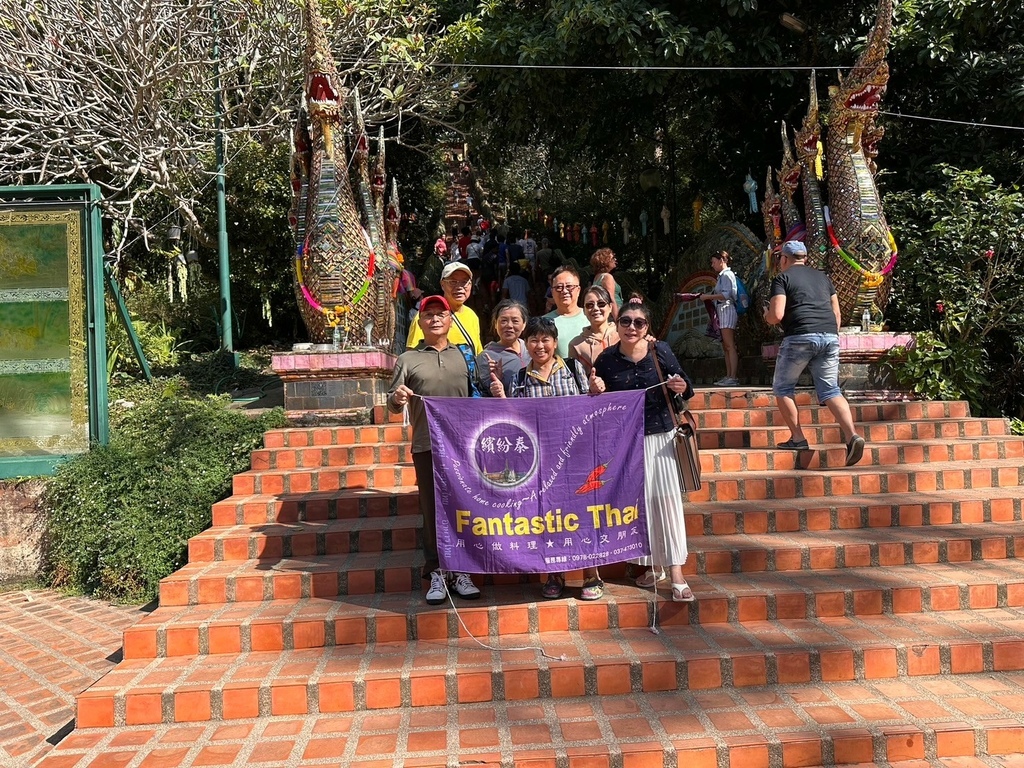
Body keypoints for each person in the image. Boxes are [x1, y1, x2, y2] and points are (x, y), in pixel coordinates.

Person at [489, 316, 603, 600]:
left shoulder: (574, 369)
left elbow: (591, 407)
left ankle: (592, 574)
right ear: (526, 344)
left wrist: (594, 390)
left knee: (584, 514)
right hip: (542, 462)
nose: (540, 346)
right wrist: (501, 397)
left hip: (577, 457)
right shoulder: (519, 378)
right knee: (549, 516)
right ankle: (555, 575)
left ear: (555, 342)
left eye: (545, 340)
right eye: (534, 340)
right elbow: (514, 420)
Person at [591, 296, 697, 602]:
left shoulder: (659, 350)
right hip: (626, 442)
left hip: (661, 437)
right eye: (625, 321)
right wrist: (595, 390)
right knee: (640, 505)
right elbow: (598, 403)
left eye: (639, 322)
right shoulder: (606, 359)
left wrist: (681, 386)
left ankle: (676, 573)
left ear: (647, 327)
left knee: (667, 502)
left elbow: (686, 385)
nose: (632, 327)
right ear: (617, 325)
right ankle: (652, 565)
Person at [388, 296, 481, 605]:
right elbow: (392, 403)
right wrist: (397, 397)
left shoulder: (465, 357)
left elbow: (479, 395)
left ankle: (463, 569)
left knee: (464, 507)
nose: (435, 319)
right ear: (420, 322)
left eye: (441, 314)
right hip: (426, 444)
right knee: (432, 510)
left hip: (464, 446)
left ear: (450, 320)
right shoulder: (407, 359)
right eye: (428, 315)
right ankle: (437, 571)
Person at [764, 240, 866, 465]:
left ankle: (798, 438)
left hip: (800, 336)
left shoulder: (782, 279)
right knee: (830, 390)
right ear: (805, 258)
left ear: (784, 259)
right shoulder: (823, 278)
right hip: (829, 336)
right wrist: (830, 336)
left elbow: (777, 315)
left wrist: (766, 315)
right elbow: (837, 313)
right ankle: (852, 436)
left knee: (783, 388)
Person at [407, 262, 482, 353]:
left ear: (470, 285)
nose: (459, 287)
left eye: (464, 282)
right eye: (453, 282)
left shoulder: (472, 316)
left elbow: (477, 352)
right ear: (442, 284)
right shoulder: (427, 317)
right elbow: (412, 354)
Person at [702, 251, 740, 386]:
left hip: (727, 309)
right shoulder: (721, 276)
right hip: (721, 310)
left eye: (714, 262)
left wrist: (708, 297)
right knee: (725, 346)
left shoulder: (727, 275)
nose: (712, 265)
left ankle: (733, 377)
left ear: (721, 260)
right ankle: (728, 375)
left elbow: (726, 295)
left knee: (730, 345)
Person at [477, 300, 529, 396]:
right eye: (504, 321)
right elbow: (484, 394)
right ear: (495, 324)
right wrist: (497, 380)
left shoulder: (531, 349)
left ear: (524, 325)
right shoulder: (486, 357)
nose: (509, 325)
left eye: (515, 321)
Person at [568, 285, 619, 376]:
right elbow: (576, 380)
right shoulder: (576, 345)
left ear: (610, 307)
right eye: (589, 305)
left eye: (601, 304)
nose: (595, 308)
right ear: (584, 311)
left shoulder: (622, 335)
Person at [543, 265, 586, 358]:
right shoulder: (544, 322)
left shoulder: (591, 317)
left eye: (569, 286)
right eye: (559, 287)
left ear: (578, 290)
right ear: (552, 292)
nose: (564, 291)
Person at [590, 248, 623, 317]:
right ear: (605, 261)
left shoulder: (597, 277)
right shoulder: (607, 277)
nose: (615, 259)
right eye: (612, 258)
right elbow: (611, 299)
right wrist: (617, 319)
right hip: (614, 313)